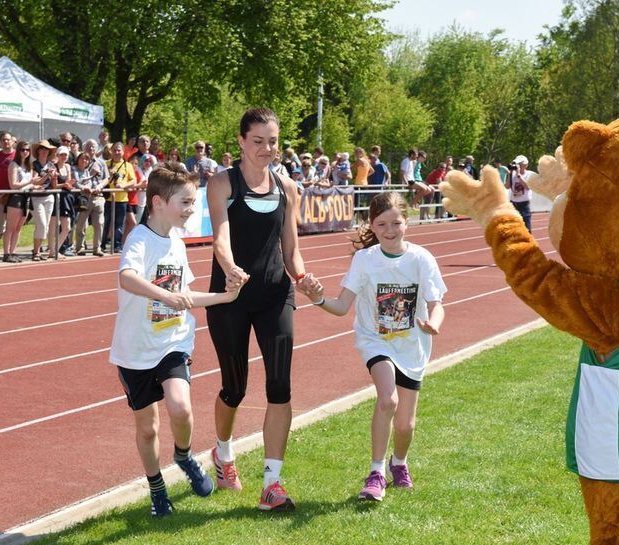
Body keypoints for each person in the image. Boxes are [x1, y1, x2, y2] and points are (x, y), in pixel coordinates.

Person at [110, 163, 245, 517]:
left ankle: (183, 455)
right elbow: (127, 277)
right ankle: (157, 489)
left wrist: (223, 298)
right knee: (148, 426)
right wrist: (164, 296)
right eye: (185, 202)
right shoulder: (139, 239)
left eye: (192, 201)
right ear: (158, 203)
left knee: (181, 407)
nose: (191, 209)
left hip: (173, 340)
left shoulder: (177, 243)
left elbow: (183, 294)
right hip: (135, 349)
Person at [301, 192, 446, 501]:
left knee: (406, 425)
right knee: (387, 400)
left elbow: (438, 303)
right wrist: (317, 298)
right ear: (372, 226)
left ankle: (399, 463)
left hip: (413, 345)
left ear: (408, 221)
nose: (390, 230)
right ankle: (376, 472)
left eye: (396, 223)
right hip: (375, 341)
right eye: (382, 224)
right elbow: (342, 306)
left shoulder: (422, 259)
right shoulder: (365, 260)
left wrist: (434, 321)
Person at [205, 107, 310, 512]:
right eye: (258, 141)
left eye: (273, 141)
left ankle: (272, 483)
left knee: (280, 386)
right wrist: (230, 268)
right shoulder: (222, 183)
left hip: (275, 296)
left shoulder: (288, 188)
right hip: (231, 297)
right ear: (241, 142)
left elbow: (292, 250)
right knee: (235, 388)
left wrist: (303, 280)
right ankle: (223, 454)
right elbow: (221, 235)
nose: (267, 149)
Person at [3, 140, 44, 262]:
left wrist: (36, 185)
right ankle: (6, 253)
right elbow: (14, 185)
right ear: (18, 151)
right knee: (10, 228)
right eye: (22, 149)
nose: (25, 152)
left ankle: (13, 251)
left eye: (27, 150)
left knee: (18, 228)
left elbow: (30, 184)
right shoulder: (13, 165)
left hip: (27, 197)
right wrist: (30, 182)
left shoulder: (29, 166)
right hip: (16, 197)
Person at [71, 150, 106, 256]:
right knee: (81, 224)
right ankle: (80, 247)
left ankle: (97, 248)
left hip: (96, 198)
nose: (84, 160)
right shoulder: (74, 170)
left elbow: (98, 181)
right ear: (78, 159)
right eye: (82, 158)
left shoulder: (87, 171)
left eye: (86, 159)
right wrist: (84, 187)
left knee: (99, 224)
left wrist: (96, 188)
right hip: (84, 199)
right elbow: (76, 182)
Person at [29, 140, 57, 261]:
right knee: (41, 223)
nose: (44, 151)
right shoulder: (34, 164)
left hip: (49, 196)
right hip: (36, 197)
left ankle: (37, 251)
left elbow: (54, 185)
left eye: (47, 149)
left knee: (45, 226)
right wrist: (46, 175)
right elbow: (34, 181)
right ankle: (36, 252)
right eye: (42, 149)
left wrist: (54, 177)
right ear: (38, 151)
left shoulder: (51, 165)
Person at [107, 141, 137, 253]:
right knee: (107, 223)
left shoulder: (127, 165)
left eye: (119, 150)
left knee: (119, 223)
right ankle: (105, 243)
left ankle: (118, 244)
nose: (117, 152)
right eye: (114, 150)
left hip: (122, 199)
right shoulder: (106, 164)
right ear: (111, 151)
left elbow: (133, 180)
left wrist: (123, 185)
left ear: (123, 152)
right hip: (108, 198)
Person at [49, 145, 75, 259]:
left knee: (67, 227)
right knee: (53, 225)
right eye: (62, 154)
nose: (64, 157)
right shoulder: (53, 167)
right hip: (56, 198)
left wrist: (69, 185)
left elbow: (68, 182)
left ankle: (55, 249)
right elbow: (54, 186)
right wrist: (63, 185)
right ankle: (52, 251)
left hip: (66, 198)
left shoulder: (68, 167)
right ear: (58, 155)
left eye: (66, 155)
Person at [507, 154, 535, 231]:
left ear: (526, 165)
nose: (517, 166)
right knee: (513, 227)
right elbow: (507, 186)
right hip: (513, 203)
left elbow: (528, 187)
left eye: (520, 164)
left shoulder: (530, 174)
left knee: (526, 228)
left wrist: (519, 175)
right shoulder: (512, 174)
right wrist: (509, 174)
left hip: (524, 204)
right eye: (517, 164)